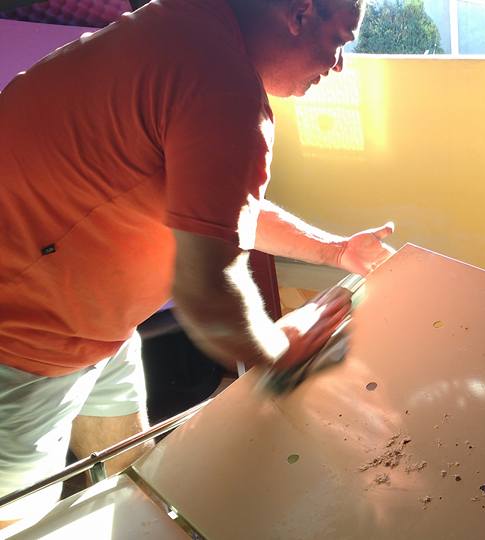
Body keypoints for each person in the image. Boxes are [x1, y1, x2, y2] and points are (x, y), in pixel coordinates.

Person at [0, 0, 388, 527]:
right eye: (339, 41)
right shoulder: (224, 88)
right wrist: (281, 347)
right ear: (299, 15)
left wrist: (337, 251)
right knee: (19, 523)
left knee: (136, 483)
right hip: (24, 344)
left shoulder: (184, 24)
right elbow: (208, 292)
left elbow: (214, 208)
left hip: (97, 323)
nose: (338, 65)